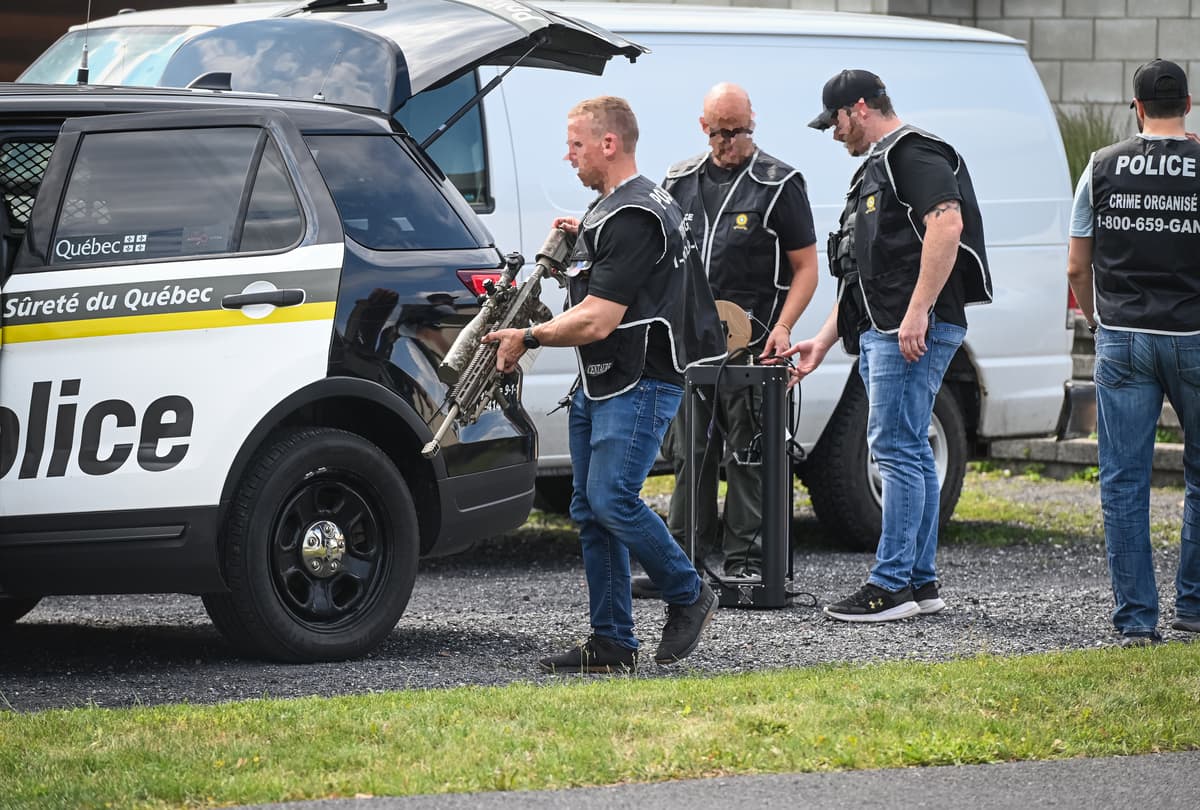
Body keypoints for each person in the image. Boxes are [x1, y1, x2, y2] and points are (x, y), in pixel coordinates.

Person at [486, 96, 727, 672]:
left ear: (609, 144)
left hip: (639, 378)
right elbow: (617, 269)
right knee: (591, 509)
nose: (568, 156)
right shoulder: (623, 208)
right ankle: (612, 643)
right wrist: (585, 233)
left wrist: (530, 335)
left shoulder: (633, 215)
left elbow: (598, 318)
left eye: (576, 144)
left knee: (612, 498)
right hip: (608, 379)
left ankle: (690, 593)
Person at [779, 69, 992, 622]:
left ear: (858, 108)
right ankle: (919, 584)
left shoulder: (910, 154)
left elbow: (947, 223)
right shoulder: (877, 168)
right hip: (889, 327)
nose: (833, 134)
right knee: (911, 450)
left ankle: (890, 585)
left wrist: (918, 310)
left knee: (895, 447)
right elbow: (860, 275)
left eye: (834, 122)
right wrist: (823, 342)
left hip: (909, 328)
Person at [630, 82, 818, 599]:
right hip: (693, 344)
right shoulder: (678, 180)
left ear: (753, 122)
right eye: (719, 132)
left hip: (755, 342)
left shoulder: (779, 183)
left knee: (750, 450)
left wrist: (782, 327)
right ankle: (679, 561)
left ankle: (748, 560)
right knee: (691, 451)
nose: (729, 142)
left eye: (738, 131)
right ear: (703, 127)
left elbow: (806, 269)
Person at [1066, 58, 1200, 647]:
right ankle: (1192, 606)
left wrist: (1097, 320)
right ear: (1188, 107)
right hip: (1194, 337)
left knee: (1123, 482)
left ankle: (1136, 622)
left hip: (1123, 337)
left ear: (1137, 108)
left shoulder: (1100, 166)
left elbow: (1076, 263)